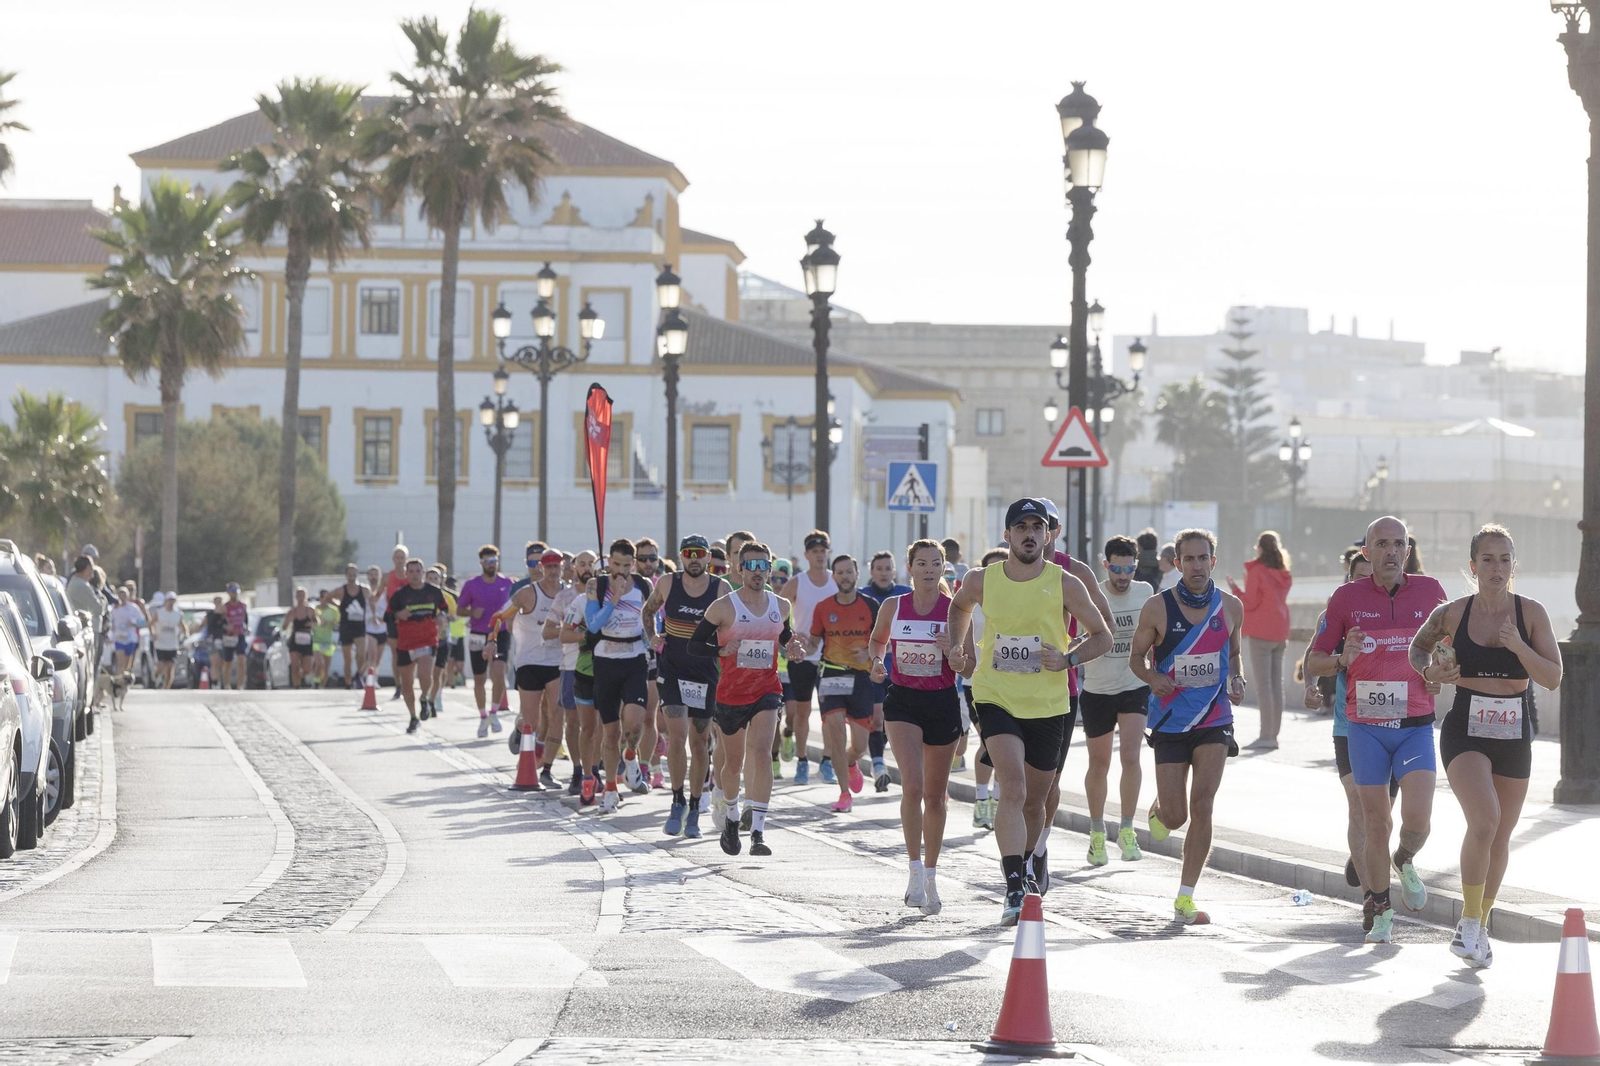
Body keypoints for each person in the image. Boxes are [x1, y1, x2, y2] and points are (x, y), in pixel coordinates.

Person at [947, 498, 1111, 926]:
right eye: (1021, 526)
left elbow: (1103, 636)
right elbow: (959, 605)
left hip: (1049, 703)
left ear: (1048, 534)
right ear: (1007, 535)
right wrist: (960, 648)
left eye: (1037, 526)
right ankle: (1015, 884)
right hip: (996, 695)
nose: (1029, 533)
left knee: (1036, 801)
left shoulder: (1066, 583)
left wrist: (1068, 659)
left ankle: (1029, 859)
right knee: (1013, 788)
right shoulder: (982, 579)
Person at [1409, 524, 1562, 968]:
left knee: (1500, 838)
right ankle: (1470, 925)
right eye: (1488, 560)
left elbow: (1552, 677)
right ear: (1473, 566)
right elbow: (1418, 651)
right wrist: (1429, 674)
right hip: (1467, 729)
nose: (1497, 568)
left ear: (1515, 566)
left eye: (1505, 559)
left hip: (1515, 732)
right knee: (1485, 821)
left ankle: (1477, 922)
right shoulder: (1452, 613)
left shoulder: (1531, 613)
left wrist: (1519, 646)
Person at [1307, 516, 1448, 944]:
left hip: (1415, 726)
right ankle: (1382, 909)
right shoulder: (1346, 597)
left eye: (1398, 543)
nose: (1390, 551)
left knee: (1418, 820)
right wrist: (1341, 660)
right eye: (1381, 544)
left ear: (1408, 550)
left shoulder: (1431, 592)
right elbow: (1312, 663)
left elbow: (1450, 651)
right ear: (1366, 553)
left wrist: (1442, 670)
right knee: (1376, 821)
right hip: (1365, 728)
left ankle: (1404, 860)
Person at [1128, 528, 1246, 926]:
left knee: (1204, 804)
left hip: (1215, 719)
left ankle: (1185, 896)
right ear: (1177, 564)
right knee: (1176, 816)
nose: (1197, 565)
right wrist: (1151, 678)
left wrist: (1238, 679)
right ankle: (1161, 810)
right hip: (1170, 721)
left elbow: (1234, 652)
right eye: (1189, 559)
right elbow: (1136, 659)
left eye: (1204, 558)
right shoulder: (1157, 608)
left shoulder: (1231, 607)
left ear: (1214, 560)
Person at [868, 538, 974, 914]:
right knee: (911, 788)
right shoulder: (893, 606)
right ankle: (913, 872)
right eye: (922, 563)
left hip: (942, 702)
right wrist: (878, 663)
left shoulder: (956, 610)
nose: (929, 570)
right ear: (909, 568)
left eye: (935, 564)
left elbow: (970, 667)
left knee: (935, 796)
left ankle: (931, 873)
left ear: (944, 569)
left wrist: (953, 653)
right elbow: (878, 640)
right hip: (904, 703)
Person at [1302, 547, 1396, 893]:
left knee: (1382, 818)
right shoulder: (1339, 611)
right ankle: (1374, 899)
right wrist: (1311, 688)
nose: (1367, 582)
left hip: (1396, 726)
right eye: (1359, 576)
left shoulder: (1397, 612)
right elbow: (1313, 655)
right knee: (1359, 808)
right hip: (1349, 725)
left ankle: (1373, 854)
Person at [690, 540, 792, 857]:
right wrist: (721, 650)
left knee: (761, 752)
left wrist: (795, 647)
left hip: (767, 688)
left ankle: (759, 831)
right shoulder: (723, 607)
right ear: (740, 569)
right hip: (732, 694)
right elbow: (695, 645)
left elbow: (784, 635)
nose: (759, 572)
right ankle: (732, 817)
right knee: (733, 764)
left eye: (764, 565)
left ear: (770, 568)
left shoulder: (782, 605)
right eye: (752, 565)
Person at [644, 534, 729, 838]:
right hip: (672, 669)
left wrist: (726, 651)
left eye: (700, 553)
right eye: (688, 553)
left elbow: (732, 624)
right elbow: (648, 610)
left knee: (700, 741)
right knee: (677, 737)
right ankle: (677, 800)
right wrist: (651, 636)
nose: (694, 558)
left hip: (706, 673)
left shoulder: (721, 588)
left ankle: (695, 807)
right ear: (681, 556)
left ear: (709, 557)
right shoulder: (668, 583)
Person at [1080, 535, 1155, 866]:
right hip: (1096, 690)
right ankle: (1097, 833)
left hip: (1133, 684)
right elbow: (1077, 633)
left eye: (1128, 569)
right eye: (1116, 568)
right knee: (1099, 764)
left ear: (1135, 567)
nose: (1122, 576)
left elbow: (1157, 633)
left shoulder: (1145, 593)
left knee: (1131, 757)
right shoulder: (1092, 594)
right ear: (1105, 564)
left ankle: (1127, 830)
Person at [793, 555, 880, 812]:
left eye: (848, 572)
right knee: (836, 735)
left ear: (857, 575)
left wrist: (870, 654)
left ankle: (852, 764)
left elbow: (883, 642)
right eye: (839, 572)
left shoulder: (871, 606)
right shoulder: (823, 607)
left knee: (860, 746)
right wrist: (800, 644)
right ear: (834, 577)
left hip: (860, 678)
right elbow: (813, 642)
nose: (844, 576)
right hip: (830, 675)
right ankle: (844, 794)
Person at [587, 539, 655, 812]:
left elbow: (652, 621)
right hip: (605, 660)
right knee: (611, 731)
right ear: (608, 561)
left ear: (634, 563)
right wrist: (612, 602)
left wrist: (655, 641)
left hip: (635, 658)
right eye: (616, 564)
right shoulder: (597, 585)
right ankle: (611, 789)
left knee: (635, 724)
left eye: (627, 565)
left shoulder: (643, 585)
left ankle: (631, 757)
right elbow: (593, 626)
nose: (621, 571)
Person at [778, 530, 836, 786]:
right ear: (806, 555)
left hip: (831, 657)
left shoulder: (837, 580)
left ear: (828, 553)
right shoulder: (798, 582)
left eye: (823, 551)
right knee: (801, 713)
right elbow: (778, 613)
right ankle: (802, 761)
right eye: (814, 551)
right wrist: (791, 635)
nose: (819, 555)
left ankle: (826, 762)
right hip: (802, 657)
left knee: (830, 714)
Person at [1227, 531, 1294, 750]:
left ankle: (1266, 735)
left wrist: (1235, 589)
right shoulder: (1282, 572)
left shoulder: (1256, 571)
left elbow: (1251, 602)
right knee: (1277, 685)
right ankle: (1274, 734)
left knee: (1264, 686)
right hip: (1280, 629)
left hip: (1261, 631)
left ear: (1260, 548)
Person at [861, 550, 912, 792]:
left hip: (903, 669)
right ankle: (878, 767)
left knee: (897, 722)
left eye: (887, 568)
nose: (883, 573)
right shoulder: (863, 596)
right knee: (878, 719)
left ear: (895, 570)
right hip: (873, 669)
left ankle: (901, 767)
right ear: (871, 571)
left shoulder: (905, 594)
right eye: (878, 568)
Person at [967, 547, 1010, 830]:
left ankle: (996, 799)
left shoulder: (1014, 600)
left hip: (1010, 685)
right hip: (977, 684)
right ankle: (983, 799)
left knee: (1005, 748)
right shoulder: (971, 604)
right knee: (989, 743)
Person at [546, 551, 596, 794]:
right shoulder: (565, 597)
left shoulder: (603, 593)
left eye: (591, 563)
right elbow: (548, 631)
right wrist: (578, 633)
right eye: (582, 564)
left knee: (596, 723)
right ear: (574, 568)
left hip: (600, 667)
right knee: (573, 721)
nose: (587, 568)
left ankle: (593, 770)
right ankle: (577, 769)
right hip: (570, 666)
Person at [384, 557, 450, 733]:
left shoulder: (434, 592)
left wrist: (442, 615)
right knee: (406, 683)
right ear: (406, 574)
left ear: (423, 572)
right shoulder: (400, 595)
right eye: (411, 572)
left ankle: (424, 698)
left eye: (418, 571)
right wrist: (398, 614)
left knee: (425, 673)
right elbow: (387, 616)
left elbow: (444, 607)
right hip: (405, 643)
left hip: (428, 639)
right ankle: (413, 716)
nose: (414, 575)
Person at [457, 545, 514, 727]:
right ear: (481, 563)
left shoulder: (508, 584)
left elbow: (517, 606)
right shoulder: (471, 585)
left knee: (498, 672)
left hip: (500, 633)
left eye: (494, 561)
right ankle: (482, 716)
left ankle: (494, 712)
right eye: (488, 561)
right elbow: (459, 609)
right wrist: (472, 612)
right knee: (479, 678)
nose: (492, 565)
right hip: (478, 634)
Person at [423, 567, 456, 716]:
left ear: (440, 580)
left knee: (437, 673)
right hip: (424, 640)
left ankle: (434, 699)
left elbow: (454, 615)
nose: (432, 581)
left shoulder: (447, 597)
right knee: (426, 673)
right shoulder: (420, 596)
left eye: (435, 578)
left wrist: (444, 617)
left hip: (442, 640)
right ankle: (427, 698)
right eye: (429, 578)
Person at [335, 565, 369, 689]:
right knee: (347, 658)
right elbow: (328, 597)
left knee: (361, 654)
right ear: (346, 575)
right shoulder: (341, 590)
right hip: (346, 626)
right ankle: (348, 683)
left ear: (357, 574)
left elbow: (373, 601)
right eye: (349, 574)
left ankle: (358, 674)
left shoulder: (364, 590)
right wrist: (338, 605)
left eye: (354, 574)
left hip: (360, 626)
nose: (352, 576)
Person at [280, 587, 318, 689]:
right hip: (295, 640)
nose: (301, 597)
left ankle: (301, 675)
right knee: (295, 665)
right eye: (299, 595)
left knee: (307, 668)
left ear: (306, 597)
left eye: (303, 595)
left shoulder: (310, 610)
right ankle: (296, 686)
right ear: (296, 597)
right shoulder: (292, 611)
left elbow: (316, 622)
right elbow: (284, 626)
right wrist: (288, 621)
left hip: (307, 638)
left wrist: (312, 623)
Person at [151, 591, 187, 689]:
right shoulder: (159, 612)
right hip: (160, 644)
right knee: (161, 666)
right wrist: (153, 633)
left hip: (172, 644)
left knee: (170, 667)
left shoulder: (178, 614)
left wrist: (185, 635)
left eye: (173, 600)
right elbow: (151, 624)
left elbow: (182, 626)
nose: (171, 602)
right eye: (169, 600)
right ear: (166, 601)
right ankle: (156, 676)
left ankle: (167, 688)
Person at [362, 565, 389, 684]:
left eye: (376, 574)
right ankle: (370, 679)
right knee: (371, 654)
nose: (373, 577)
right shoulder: (365, 591)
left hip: (382, 627)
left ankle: (374, 676)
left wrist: (384, 618)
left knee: (378, 657)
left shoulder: (385, 592)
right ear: (367, 576)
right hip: (369, 627)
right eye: (371, 575)